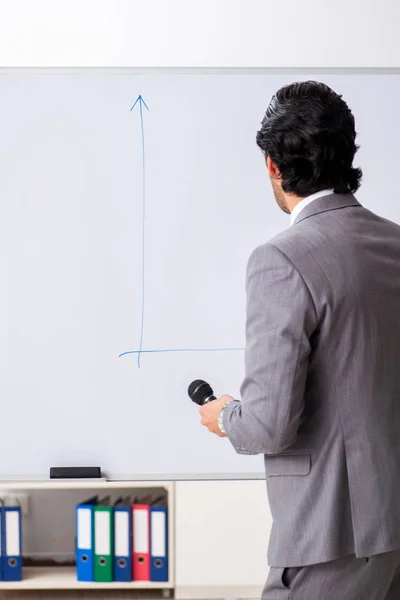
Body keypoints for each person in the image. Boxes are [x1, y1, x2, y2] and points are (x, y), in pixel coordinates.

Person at [199, 81, 400, 600]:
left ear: (272, 165)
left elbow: (267, 426)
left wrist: (223, 416)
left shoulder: (282, 259)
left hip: (328, 536)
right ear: (348, 153)